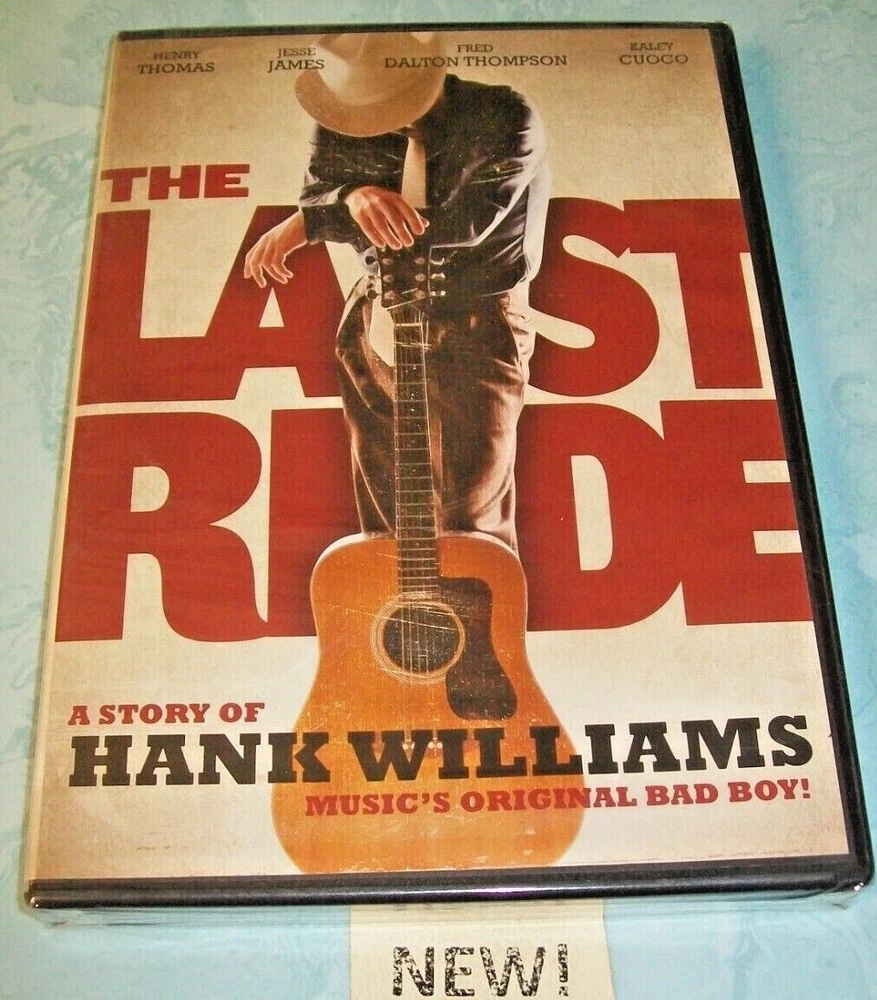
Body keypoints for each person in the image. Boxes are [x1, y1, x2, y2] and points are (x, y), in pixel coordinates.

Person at [245, 31, 550, 553]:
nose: (374, 125)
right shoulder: (341, 114)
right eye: (363, 113)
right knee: (387, 520)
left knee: (471, 522)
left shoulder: (504, 116)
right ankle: (396, 609)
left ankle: (475, 611)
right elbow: (318, 190)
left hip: (477, 319)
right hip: (377, 311)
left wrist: (312, 221)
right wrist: (350, 195)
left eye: (387, 107)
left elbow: (459, 223)